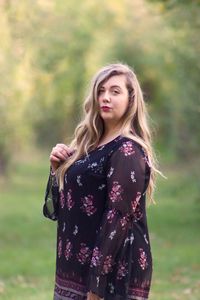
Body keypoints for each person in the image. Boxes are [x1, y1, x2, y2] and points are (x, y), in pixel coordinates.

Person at [43, 63, 160, 300]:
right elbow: (59, 210)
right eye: (100, 90)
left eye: (115, 91)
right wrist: (58, 170)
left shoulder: (127, 150)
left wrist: (96, 289)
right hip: (73, 271)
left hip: (111, 279)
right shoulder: (88, 147)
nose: (105, 97)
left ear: (131, 99)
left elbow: (116, 221)